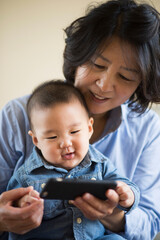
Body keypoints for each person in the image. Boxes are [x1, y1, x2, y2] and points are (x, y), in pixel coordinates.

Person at [0, 0, 160, 239]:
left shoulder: (147, 129)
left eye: (126, 77)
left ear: (141, 83)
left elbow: (150, 223)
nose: (104, 85)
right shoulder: (18, 115)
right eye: (97, 64)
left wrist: (112, 215)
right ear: (78, 57)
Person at [7, 80, 139, 240]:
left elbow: (121, 183)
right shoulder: (26, 176)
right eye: (52, 137)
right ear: (36, 140)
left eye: (74, 131)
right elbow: (9, 211)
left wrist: (128, 195)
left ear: (89, 128)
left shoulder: (100, 164)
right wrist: (21, 206)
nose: (65, 143)